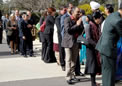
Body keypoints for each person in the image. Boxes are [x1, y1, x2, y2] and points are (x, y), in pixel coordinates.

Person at [96, 3, 122, 86]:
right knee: (109, 76)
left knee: (107, 75)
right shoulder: (117, 20)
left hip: (105, 49)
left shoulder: (112, 16)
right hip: (109, 51)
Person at [61, 7, 84, 84]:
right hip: (68, 43)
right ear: (73, 12)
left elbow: (82, 30)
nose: (79, 13)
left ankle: (72, 75)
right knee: (68, 60)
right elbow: (68, 30)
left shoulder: (79, 20)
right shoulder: (67, 19)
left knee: (74, 60)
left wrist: (80, 25)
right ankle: (68, 77)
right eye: (77, 12)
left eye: (79, 12)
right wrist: (77, 25)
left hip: (76, 42)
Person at [85, 12, 102, 86]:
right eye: (99, 19)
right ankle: (93, 83)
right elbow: (88, 38)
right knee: (92, 66)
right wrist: (97, 45)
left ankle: (94, 82)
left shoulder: (96, 25)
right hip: (91, 48)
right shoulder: (89, 25)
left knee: (94, 66)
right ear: (95, 18)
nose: (100, 20)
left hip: (95, 48)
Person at [55, 6, 67, 71]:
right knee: (61, 50)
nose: (65, 11)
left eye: (66, 10)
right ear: (60, 11)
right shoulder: (58, 18)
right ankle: (62, 64)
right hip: (61, 36)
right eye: (64, 10)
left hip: (67, 36)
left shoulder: (67, 17)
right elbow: (59, 28)